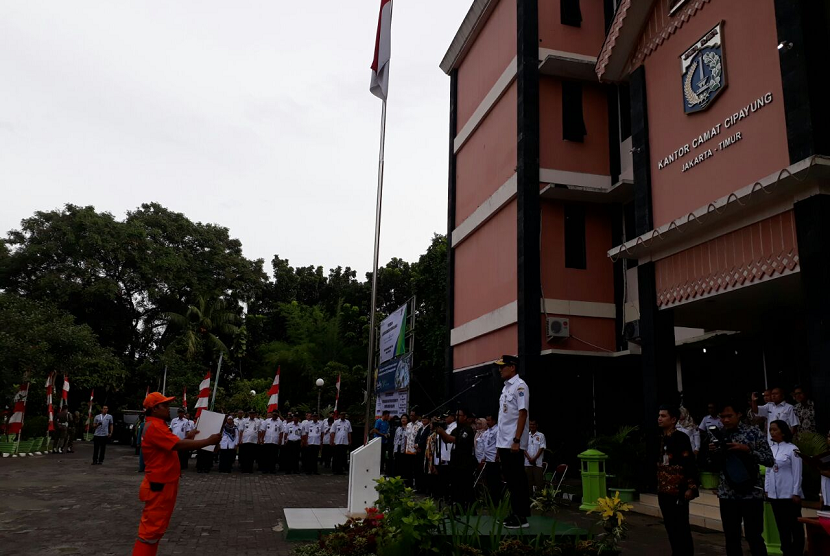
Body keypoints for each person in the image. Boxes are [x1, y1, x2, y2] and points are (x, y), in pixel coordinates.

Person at [132, 392, 220, 556]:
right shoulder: (155, 427)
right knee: (150, 531)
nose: (168, 409)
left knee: (156, 530)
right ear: (155, 408)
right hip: (160, 484)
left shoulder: (157, 425)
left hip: (163, 483)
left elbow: (171, 444)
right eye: (164, 405)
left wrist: (190, 437)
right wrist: (208, 441)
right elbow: (176, 445)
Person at [707, 398, 774, 556]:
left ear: (739, 414)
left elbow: (769, 460)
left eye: (729, 416)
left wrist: (746, 449)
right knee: (731, 538)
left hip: (751, 493)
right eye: (722, 417)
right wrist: (713, 452)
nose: (725, 420)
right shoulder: (718, 434)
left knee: (754, 536)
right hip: (727, 493)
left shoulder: (753, 433)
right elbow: (712, 466)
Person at [657, 404, 698, 556]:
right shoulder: (660, 438)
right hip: (663, 489)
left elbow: (689, 464)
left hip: (678, 490)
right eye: (659, 416)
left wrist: (691, 487)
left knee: (681, 528)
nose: (659, 419)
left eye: (663, 416)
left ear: (673, 419)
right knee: (670, 527)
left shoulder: (681, 438)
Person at [495, 355, 530, 529]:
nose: (500, 369)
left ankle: (521, 516)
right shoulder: (506, 388)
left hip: (513, 442)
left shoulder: (520, 386)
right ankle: (514, 512)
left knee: (517, 479)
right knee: (510, 479)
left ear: (513, 367)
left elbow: (522, 414)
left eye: (503, 366)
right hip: (504, 441)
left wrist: (516, 440)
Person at [765, 420, 804, 556]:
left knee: (794, 525)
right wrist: (767, 489)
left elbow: (797, 472)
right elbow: (769, 470)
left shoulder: (792, 449)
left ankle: (797, 551)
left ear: (782, 431)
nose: (772, 432)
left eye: (775, 429)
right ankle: (786, 550)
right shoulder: (771, 449)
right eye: (770, 430)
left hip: (789, 494)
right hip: (776, 494)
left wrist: (796, 492)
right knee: (782, 526)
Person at [436, 407, 476, 509]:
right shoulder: (456, 429)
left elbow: (456, 440)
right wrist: (439, 430)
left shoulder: (467, 429)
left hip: (464, 462)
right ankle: (457, 505)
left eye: (459, 416)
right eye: (456, 415)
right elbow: (447, 440)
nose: (457, 418)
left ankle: (467, 506)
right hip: (455, 461)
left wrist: (443, 433)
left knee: (464, 485)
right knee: (455, 486)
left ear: (465, 417)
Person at [481, 415, 501, 505]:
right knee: (488, 481)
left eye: (488, 420)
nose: (487, 422)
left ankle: (495, 501)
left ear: (494, 421)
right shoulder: (488, 431)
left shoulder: (497, 430)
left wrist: (498, 454)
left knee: (495, 481)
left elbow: (499, 443)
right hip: (488, 459)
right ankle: (489, 500)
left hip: (494, 460)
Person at [524, 419, 546, 494]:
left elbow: (542, 447)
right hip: (527, 463)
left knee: (539, 483)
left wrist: (534, 458)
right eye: (530, 424)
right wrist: (529, 458)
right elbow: (523, 448)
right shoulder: (526, 435)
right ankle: (529, 501)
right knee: (528, 483)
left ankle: (540, 502)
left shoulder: (541, 435)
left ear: (537, 425)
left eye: (533, 424)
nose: (532, 426)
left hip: (537, 463)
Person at [393, 415, 409, 481]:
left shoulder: (409, 428)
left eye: (405, 418)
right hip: (398, 448)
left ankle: (403, 478)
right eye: (402, 418)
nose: (403, 419)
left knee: (403, 465)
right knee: (397, 464)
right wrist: (394, 450)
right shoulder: (398, 428)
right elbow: (395, 439)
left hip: (405, 448)